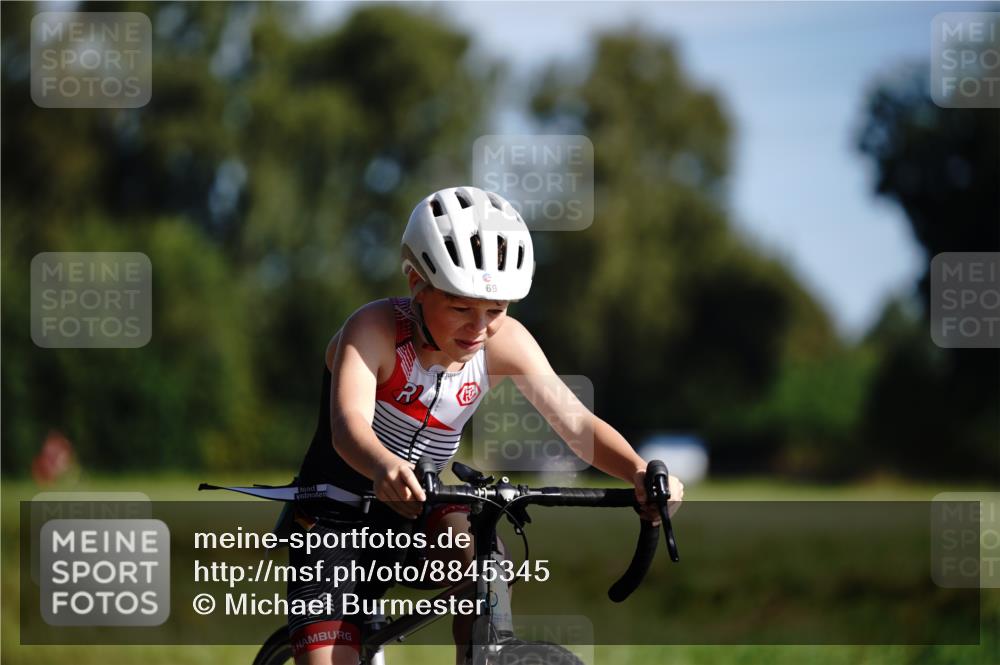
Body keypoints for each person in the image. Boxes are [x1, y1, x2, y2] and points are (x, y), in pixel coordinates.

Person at [288, 186, 684, 665]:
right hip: (335, 511)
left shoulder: (504, 342)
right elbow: (348, 425)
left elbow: (576, 423)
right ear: (416, 282)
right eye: (460, 308)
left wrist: (638, 472)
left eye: (495, 310)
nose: (479, 328)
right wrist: (383, 465)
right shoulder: (373, 330)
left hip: (424, 501)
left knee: (479, 559)